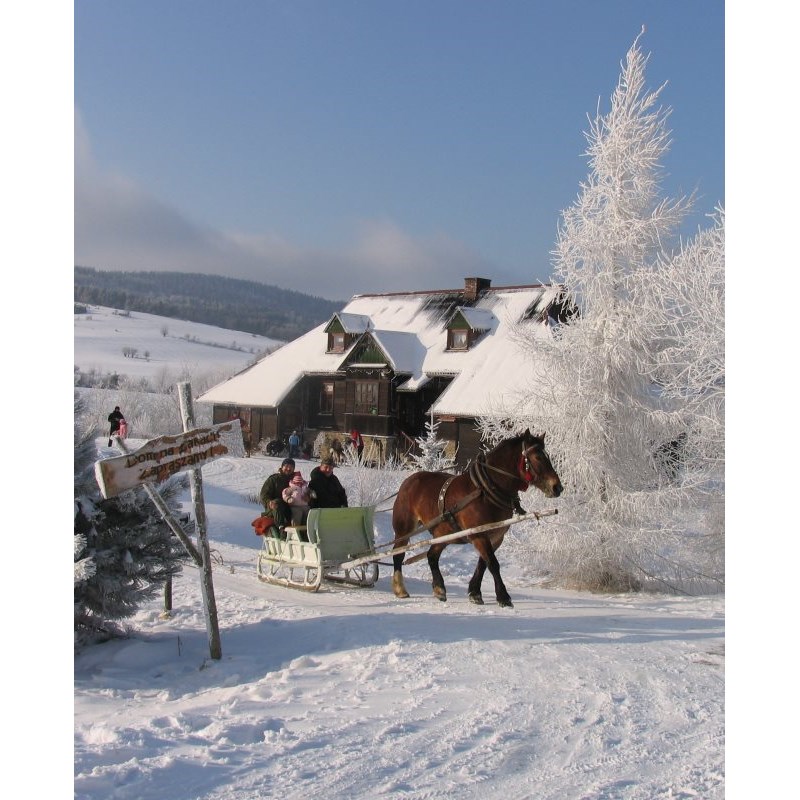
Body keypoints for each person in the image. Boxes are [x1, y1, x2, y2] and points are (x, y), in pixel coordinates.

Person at [259, 458, 295, 534]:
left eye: (291, 467)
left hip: (290, 507)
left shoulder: (295, 480)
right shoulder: (273, 480)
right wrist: (269, 502)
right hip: (274, 508)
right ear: (282, 467)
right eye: (286, 466)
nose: (288, 469)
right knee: (277, 502)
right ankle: (281, 529)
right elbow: (264, 495)